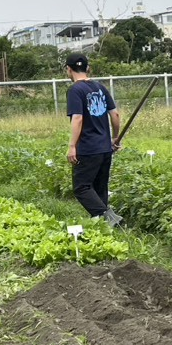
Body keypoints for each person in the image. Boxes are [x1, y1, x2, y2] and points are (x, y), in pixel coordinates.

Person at [65, 53, 125, 227]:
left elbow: (78, 118)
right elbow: (115, 114)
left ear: (68, 69)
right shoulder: (100, 87)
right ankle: (105, 225)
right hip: (105, 147)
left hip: (88, 147)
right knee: (100, 188)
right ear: (87, 68)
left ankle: (108, 218)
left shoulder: (75, 90)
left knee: (81, 187)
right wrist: (115, 137)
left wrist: (72, 146)